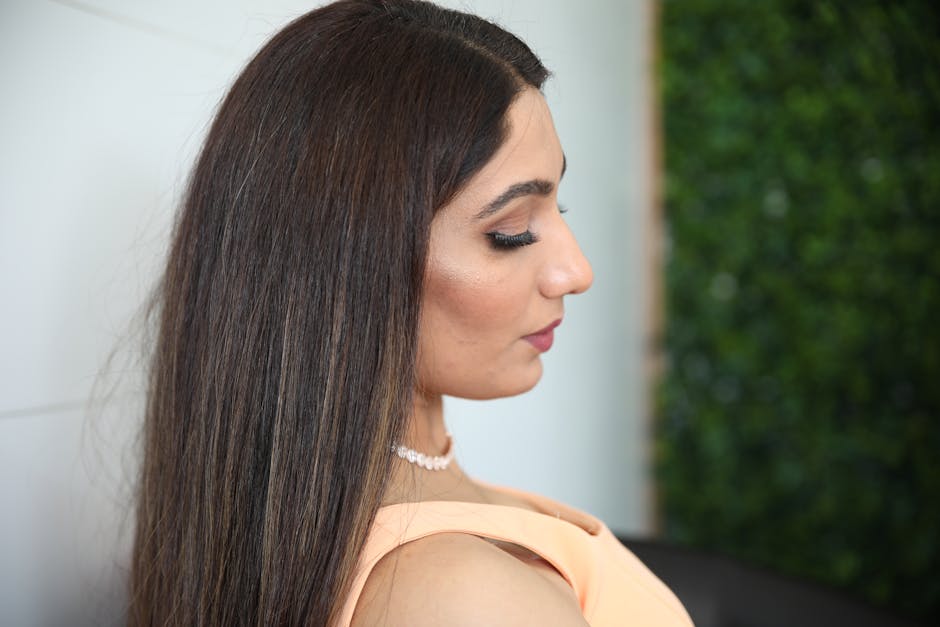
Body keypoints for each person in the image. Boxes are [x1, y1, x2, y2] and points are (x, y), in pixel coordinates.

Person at [128, 1, 693, 625]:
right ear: (343, 263)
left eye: (558, 207)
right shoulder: (466, 599)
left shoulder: (371, 531)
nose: (576, 271)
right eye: (510, 231)